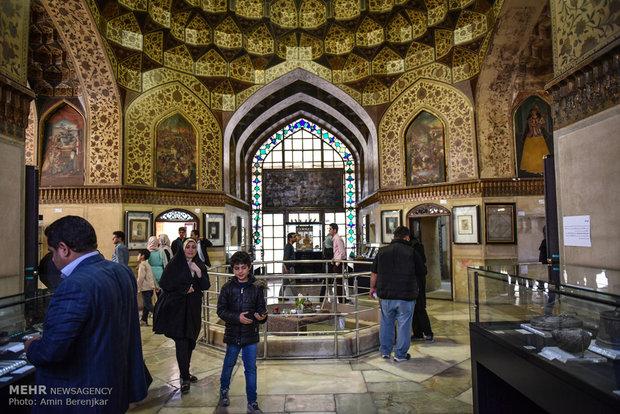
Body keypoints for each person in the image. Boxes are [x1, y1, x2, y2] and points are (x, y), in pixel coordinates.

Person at [25, 216, 151, 413]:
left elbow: (52, 351)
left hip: (82, 398)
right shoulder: (122, 272)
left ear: (64, 248)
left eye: (52, 252)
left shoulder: (74, 285)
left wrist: (31, 346)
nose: (53, 259)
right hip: (116, 388)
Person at [153, 238, 210, 393]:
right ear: (182, 249)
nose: (190, 250)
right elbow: (165, 284)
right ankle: (184, 377)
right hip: (178, 309)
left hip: (193, 308)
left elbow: (205, 285)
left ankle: (186, 371)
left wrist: (198, 271)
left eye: (193, 247)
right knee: (181, 342)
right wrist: (184, 289)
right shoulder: (174, 264)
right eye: (187, 247)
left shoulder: (199, 264)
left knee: (191, 341)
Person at [217, 251, 267, 414]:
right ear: (232, 269)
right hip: (233, 333)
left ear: (249, 267)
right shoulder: (227, 288)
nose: (240, 271)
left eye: (243, 268)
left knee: (250, 368)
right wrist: (237, 318)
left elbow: (261, 310)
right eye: (237, 268)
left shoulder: (257, 288)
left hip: (250, 335)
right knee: (229, 364)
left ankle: (252, 401)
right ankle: (224, 390)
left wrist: (262, 317)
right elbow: (221, 311)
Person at [369, 225, 425, 362]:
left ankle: (385, 351)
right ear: (407, 237)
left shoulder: (382, 252)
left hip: (386, 295)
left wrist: (372, 288)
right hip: (406, 295)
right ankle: (400, 355)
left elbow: (374, 273)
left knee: (386, 323)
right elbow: (422, 271)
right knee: (404, 325)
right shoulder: (411, 252)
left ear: (393, 237)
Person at [410, 235, 434, 342]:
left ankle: (428, 332)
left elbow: (420, 266)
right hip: (416, 280)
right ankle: (418, 333)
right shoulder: (416, 246)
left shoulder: (415, 248)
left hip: (417, 281)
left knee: (419, 308)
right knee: (415, 308)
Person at [137, 249, 157, 326]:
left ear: (142, 256)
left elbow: (140, 278)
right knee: (146, 305)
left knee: (148, 305)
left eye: (138, 255)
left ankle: (159, 315)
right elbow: (152, 276)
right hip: (150, 287)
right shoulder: (147, 265)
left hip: (145, 288)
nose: (137, 256)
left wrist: (137, 287)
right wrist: (155, 286)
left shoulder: (142, 265)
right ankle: (144, 320)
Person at [329, 223, 346, 303]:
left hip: (339, 263)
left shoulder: (337, 239)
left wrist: (337, 262)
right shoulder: (335, 238)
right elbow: (337, 252)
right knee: (337, 282)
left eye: (330, 229)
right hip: (337, 262)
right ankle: (342, 299)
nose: (329, 230)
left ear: (335, 230)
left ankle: (342, 300)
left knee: (338, 282)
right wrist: (334, 258)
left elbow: (342, 252)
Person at [281, 232, 297, 300]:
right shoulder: (288, 246)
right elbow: (285, 258)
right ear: (290, 238)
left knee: (285, 282)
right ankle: (297, 297)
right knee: (292, 282)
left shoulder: (290, 246)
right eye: (294, 237)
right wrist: (285, 268)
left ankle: (280, 296)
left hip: (288, 267)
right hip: (288, 268)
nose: (295, 238)